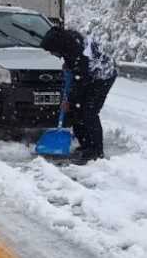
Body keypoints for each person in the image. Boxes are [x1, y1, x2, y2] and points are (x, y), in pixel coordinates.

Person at [39, 26, 117, 163]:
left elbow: (81, 81)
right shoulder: (68, 45)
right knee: (77, 110)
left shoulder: (77, 51)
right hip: (88, 75)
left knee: (89, 112)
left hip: (103, 76)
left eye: (51, 51)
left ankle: (96, 151)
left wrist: (69, 100)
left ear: (57, 46)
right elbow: (74, 72)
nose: (52, 54)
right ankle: (86, 146)